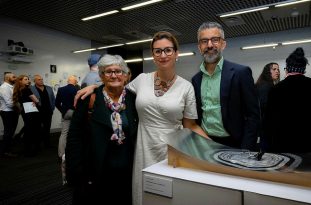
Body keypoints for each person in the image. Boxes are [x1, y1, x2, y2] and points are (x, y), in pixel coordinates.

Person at [75, 31, 208, 205]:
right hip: (143, 148)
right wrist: (94, 86)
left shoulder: (186, 87)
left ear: (176, 53)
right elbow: (116, 87)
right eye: (157, 51)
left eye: (168, 50)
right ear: (153, 55)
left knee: (168, 195)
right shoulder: (141, 80)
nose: (163, 55)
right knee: (143, 195)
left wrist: (215, 148)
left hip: (171, 148)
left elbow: (190, 125)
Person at [66, 54, 138, 204]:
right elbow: (74, 137)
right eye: (108, 71)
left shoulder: (134, 99)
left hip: (126, 172)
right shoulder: (89, 99)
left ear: (125, 75)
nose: (114, 75)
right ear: (101, 76)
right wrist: (76, 171)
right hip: (95, 171)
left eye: (118, 71)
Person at [191, 21, 260, 151]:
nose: (209, 45)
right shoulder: (196, 80)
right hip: (204, 143)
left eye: (215, 40)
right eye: (204, 41)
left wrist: (245, 150)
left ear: (223, 44)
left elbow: (253, 116)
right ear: (199, 47)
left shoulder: (241, 73)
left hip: (235, 144)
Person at [263, 47, 311, 153]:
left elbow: (269, 120)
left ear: (287, 69)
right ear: (303, 69)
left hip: (283, 144)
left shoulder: (276, 90)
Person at [55, 75, 79, 184]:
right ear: (75, 81)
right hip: (76, 113)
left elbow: (56, 103)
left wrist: (63, 111)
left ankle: (61, 154)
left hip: (65, 113)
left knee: (64, 133)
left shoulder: (61, 89)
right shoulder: (77, 89)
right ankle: (75, 152)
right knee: (77, 133)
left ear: (68, 81)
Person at [12, 75, 41, 156]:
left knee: (28, 129)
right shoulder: (27, 89)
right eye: (25, 79)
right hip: (31, 111)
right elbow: (36, 100)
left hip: (24, 111)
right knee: (33, 129)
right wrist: (36, 102)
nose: (27, 80)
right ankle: (31, 149)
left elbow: (17, 103)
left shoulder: (17, 89)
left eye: (28, 79)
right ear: (20, 81)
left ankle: (27, 148)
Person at [255, 63, 280, 150]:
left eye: (278, 69)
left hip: (265, 125)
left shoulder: (267, 84)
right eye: (274, 69)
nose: (277, 71)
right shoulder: (265, 86)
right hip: (265, 126)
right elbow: (264, 106)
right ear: (267, 72)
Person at [31, 74, 55, 148]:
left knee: (47, 128)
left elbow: (53, 99)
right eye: (39, 79)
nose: (41, 80)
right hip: (37, 112)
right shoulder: (31, 89)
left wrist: (52, 108)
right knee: (37, 129)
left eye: (41, 79)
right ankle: (37, 145)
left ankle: (47, 144)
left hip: (48, 111)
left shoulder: (49, 88)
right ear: (34, 81)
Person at [0, 72, 19, 157]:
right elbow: (10, 103)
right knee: (8, 132)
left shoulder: (11, 87)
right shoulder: (4, 87)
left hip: (12, 112)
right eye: (14, 77)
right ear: (8, 78)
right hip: (7, 112)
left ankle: (7, 149)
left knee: (10, 132)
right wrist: (19, 106)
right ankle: (5, 151)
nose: (16, 78)